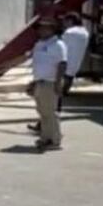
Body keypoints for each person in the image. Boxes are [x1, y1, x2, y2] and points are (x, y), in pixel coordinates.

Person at [30, 12, 88, 135]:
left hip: (59, 73)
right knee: (54, 103)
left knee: (51, 105)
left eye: (65, 21)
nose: (64, 24)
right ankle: (46, 129)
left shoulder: (69, 34)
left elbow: (55, 48)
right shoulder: (85, 33)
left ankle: (50, 132)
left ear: (71, 21)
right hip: (72, 70)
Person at [28, 15, 68, 152]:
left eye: (45, 28)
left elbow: (62, 64)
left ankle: (55, 140)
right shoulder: (39, 44)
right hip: (39, 82)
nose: (42, 31)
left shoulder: (58, 45)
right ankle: (45, 137)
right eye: (40, 28)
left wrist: (58, 83)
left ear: (52, 30)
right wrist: (33, 82)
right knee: (42, 112)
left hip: (50, 82)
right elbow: (37, 64)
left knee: (50, 112)